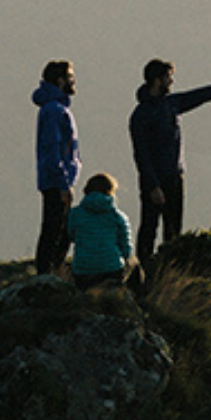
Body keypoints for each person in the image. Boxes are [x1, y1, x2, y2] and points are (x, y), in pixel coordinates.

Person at [129, 58, 211, 263]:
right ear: (157, 80)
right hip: (155, 180)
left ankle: (169, 269)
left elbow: (200, 96)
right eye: (168, 77)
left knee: (173, 228)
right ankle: (142, 271)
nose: (172, 81)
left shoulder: (170, 104)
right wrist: (153, 186)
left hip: (175, 177)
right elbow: (141, 155)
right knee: (149, 227)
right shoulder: (141, 115)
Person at [31, 59, 81, 274]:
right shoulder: (54, 110)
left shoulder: (54, 108)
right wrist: (63, 183)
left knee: (57, 228)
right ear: (60, 80)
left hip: (55, 179)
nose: (73, 80)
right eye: (70, 76)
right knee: (55, 229)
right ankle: (46, 273)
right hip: (56, 181)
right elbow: (53, 149)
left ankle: (50, 271)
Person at [64, 173, 135, 290]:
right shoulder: (117, 216)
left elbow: (71, 236)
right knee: (134, 265)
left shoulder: (74, 214)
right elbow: (126, 248)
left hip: (83, 271)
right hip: (111, 270)